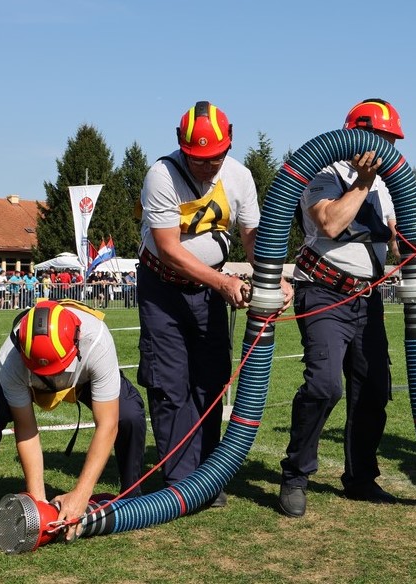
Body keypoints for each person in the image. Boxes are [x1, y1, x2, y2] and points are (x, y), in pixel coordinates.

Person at [137, 100, 293, 507]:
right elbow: (169, 249)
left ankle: (209, 473)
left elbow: (253, 239)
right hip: (163, 286)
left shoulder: (240, 178)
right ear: (180, 144)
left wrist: (273, 277)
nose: (206, 167)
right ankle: (180, 480)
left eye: (214, 158)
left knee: (212, 378)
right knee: (169, 383)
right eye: (197, 159)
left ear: (229, 144)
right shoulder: (161, 176)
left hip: (209, 290)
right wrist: (223, 282)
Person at [0, 299, 147, 543]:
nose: (55, 376)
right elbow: (26, 429)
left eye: (57, 369)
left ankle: (132, 495)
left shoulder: (98, 340)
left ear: (76, 342)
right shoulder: (10, 357)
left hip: (82, 378)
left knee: (129, 413)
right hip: (28, 380)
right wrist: (39, 502)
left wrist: (81, 495)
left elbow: (107, 425)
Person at [278, 98, 402, 518]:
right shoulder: (323, 172)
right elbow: (330, 223)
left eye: (390, 140)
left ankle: (361, 477)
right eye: (379, 138)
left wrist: (409, 244)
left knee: (373, 389)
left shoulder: (386, 186)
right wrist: (363, 184)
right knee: (324, 385)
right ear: (355, 135)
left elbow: (392, 243)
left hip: (369, 298)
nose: (384, 148)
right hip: (326, 292)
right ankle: (296, 475)